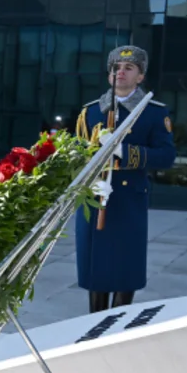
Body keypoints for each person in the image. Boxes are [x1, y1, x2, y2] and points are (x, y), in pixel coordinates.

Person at [74, 45, 176, 313]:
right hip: (95, 197)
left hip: (129, 199)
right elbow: (77, 154)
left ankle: (118, 323)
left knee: (124, 265)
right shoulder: (90, 112)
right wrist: (89, 180)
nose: (120, 72)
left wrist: (124, 152)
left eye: (128, 68)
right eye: (115, 68)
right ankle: (93, 322)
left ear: (140, 76)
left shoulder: (153, 112)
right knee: (95, 265)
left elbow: (166, 156)